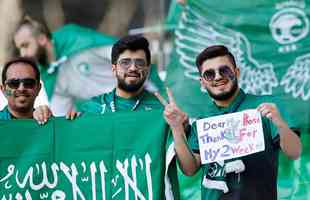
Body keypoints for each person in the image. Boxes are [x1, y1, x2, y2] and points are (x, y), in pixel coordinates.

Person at [155, 45, 302, 200]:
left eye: (224, 70)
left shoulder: (266, 107)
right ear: (202, 82)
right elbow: (190, 169)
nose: (218, 77)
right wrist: (176, 128)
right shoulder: (203, 122)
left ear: (236, 73)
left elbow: (295, 152)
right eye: (209, 74)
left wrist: (280, 123)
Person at [68, 35, 183, 199]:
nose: (133, 68)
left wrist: (178, 127)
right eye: (125, 62)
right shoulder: (91, 109)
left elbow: (189, 168)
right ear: (114, 68)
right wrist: (64, 124)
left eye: (140, 62)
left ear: (148, 69)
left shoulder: (163, 110)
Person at [13, 16, 117, 116]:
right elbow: (61, 118)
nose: (23, 54)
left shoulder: (78, 40)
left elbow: (124, 56)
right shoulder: (49, 77)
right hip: (109, 116)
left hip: (130, 98)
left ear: (42, 39)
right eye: (20, 49)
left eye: (25, 45)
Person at [0, 57, 51, 121]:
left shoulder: (50, 122)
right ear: (3, 90)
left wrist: (51, 123)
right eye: (13, 83)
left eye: (28, 83)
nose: (21, 88)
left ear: (38, 88)